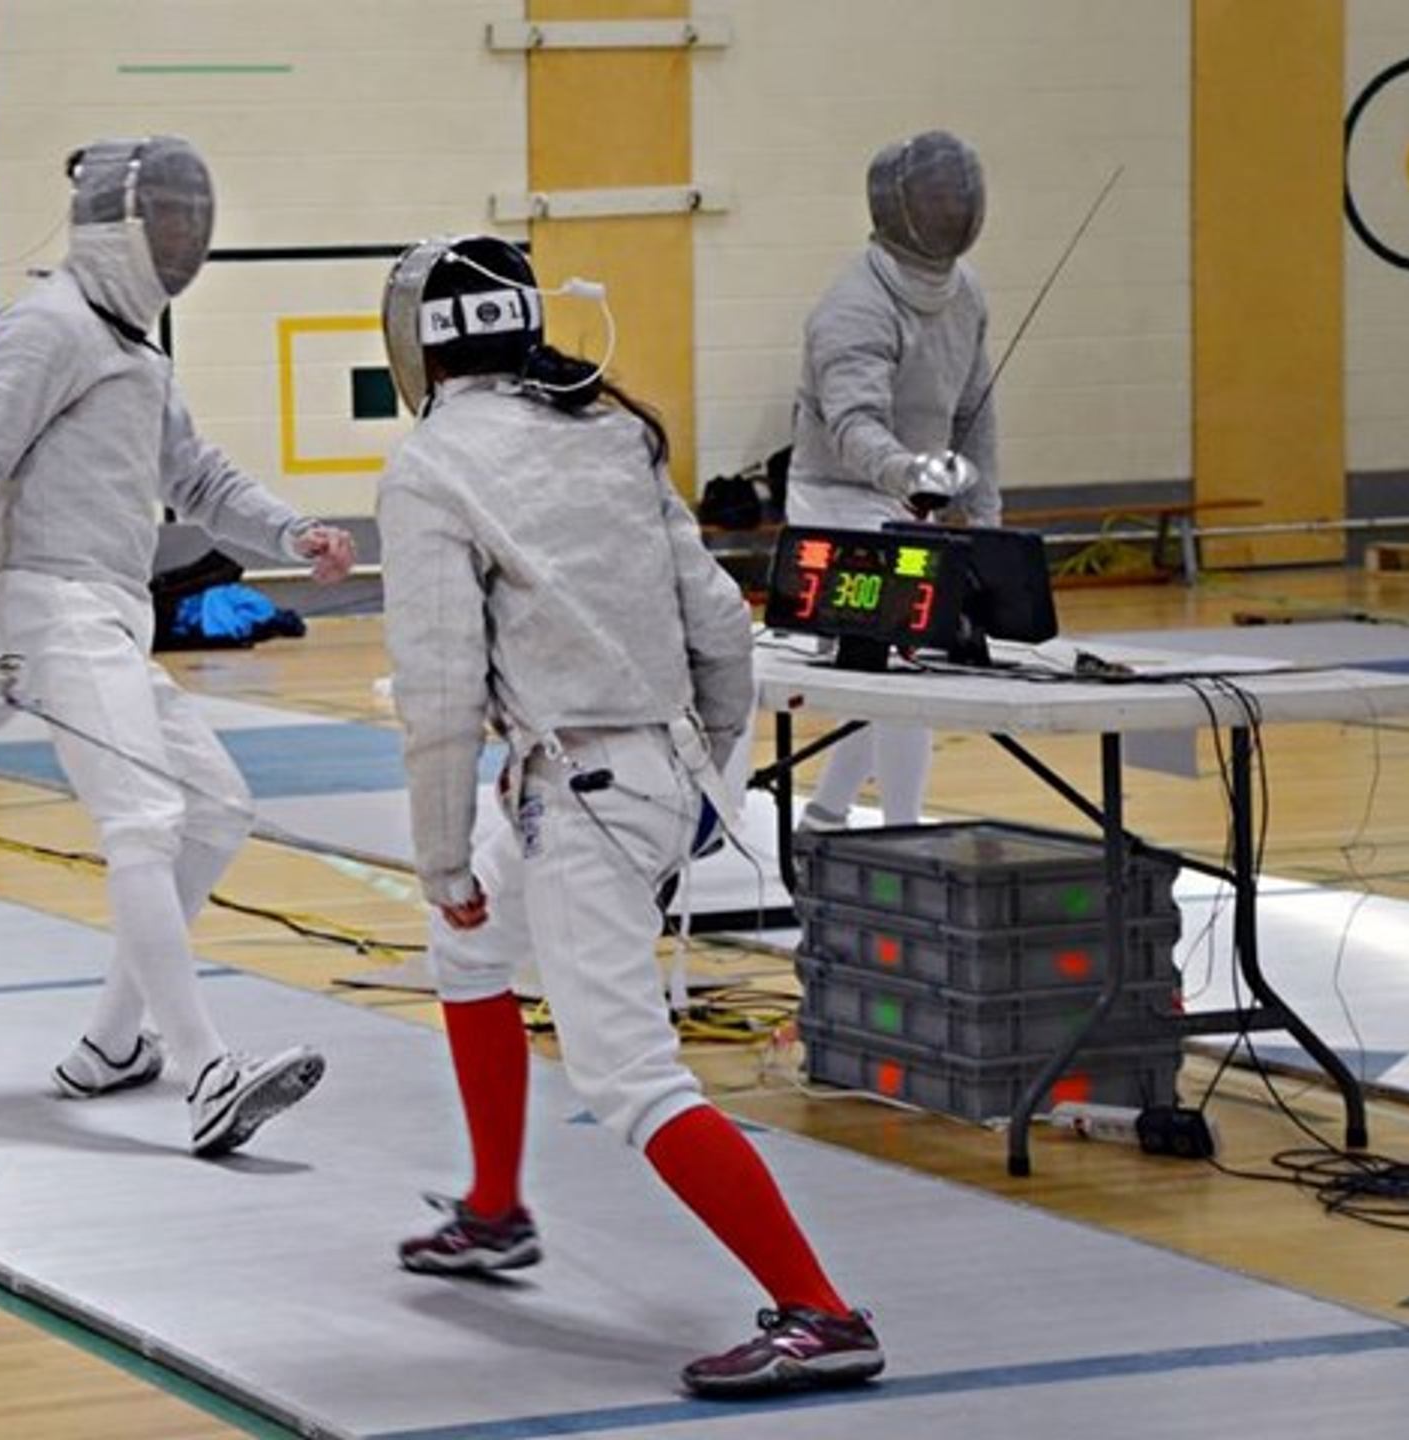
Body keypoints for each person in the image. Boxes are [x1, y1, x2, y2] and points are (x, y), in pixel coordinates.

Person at [375, 235, 884, 1397]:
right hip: (627, 774)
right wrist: (707, 776)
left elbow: (439, 692)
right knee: (467, 952)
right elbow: (721, 626)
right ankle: (494, 1210)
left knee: (629, 1075)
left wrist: (441, 855)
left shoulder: (431, 466)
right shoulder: (609, 430)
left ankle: (821, 1312)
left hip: (585, 798)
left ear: (425, 348)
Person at [0, 136, 356, 1157]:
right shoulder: (46, 326)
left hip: (113, 609)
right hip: (50, 604)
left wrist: (291, 531)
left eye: (191, 219)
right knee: (147, 819)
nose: (183, 236)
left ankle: (112, 1044)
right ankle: (206, 1074)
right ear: (120, 227)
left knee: (217, 808)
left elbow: (193, 476)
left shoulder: (137, 349)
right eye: (167, 217)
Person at [788, 129, 1000, 829]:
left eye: (955, 195)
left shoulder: (966, 294)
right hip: (838, 501)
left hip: (911, 502)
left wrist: (984, 516)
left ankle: (826, 815)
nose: (949, 208)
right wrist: (907, 472)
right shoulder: (854, 306)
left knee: (882, 669)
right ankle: (904, 832)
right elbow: (852, 425)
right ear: (899, 205)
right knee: (896, 669)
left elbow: (973, 411)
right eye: (935, 196)